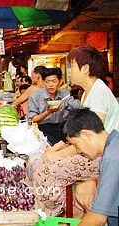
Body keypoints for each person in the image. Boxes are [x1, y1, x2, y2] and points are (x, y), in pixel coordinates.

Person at [29, 45, 119, 217]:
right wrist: (56, 148)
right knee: (38, 161)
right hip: (91, 152)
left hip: (101, 156)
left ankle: (51, 214)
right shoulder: (87, 92)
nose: (69, 71)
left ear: (85, 68)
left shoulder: (98, 93)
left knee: (46, 170)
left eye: (72, 66)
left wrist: (58, 155)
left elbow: (89, 138)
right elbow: (79, 133)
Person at [63, 108, 119, 226]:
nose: (78, 151)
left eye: (76, 145)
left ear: (86, 134)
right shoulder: (114, 143)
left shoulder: (113, 157)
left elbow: (97, 219)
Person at [28, 67, 80, 145]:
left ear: (60, 81)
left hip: (62, 129)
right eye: (47, 82)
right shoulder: (35, 96)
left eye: (54, 81)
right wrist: (48, 112)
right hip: (43, 130)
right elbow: (33, 119)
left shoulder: (65, 94)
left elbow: (77, 107)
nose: (50, 85)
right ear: (43, 82)